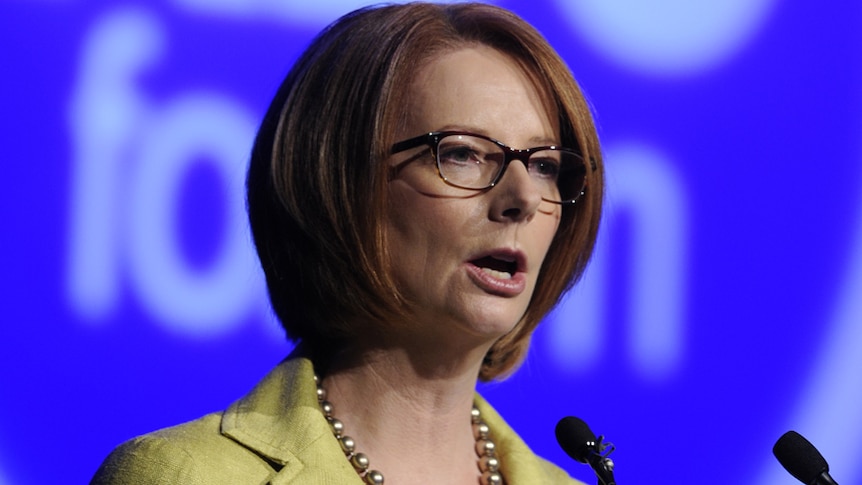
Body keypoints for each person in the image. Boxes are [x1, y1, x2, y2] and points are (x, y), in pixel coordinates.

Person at [91, 2, 603, 484]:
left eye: (545, 166)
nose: (524, 198)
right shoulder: (183, 475)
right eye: (465, 154)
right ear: (336, 183)